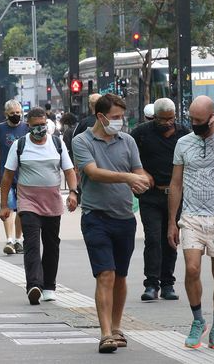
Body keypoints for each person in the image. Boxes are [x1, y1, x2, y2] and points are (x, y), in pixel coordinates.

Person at [72, 93, 151, 354]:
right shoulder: (82, 141)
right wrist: (128, 178)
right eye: (115, 118)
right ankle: (105, 332)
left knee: (120, 276)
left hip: (125, 218)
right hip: (96, 218)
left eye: (122, 117)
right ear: (101, 117)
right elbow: (93, 173)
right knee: (105, 274)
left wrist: (141, 179)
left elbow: (138, 170)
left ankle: (117, 327)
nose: (120, 122)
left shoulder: (127, 141)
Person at [167, 96, 214, 351]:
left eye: (199, 120)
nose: (193, 124)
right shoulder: (183, 143)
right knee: (191, 269)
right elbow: (176, 184)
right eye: (191, 119)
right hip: (191, 216)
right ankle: (198, 321)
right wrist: (172, 222)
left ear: (212, 117)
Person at [0, 107, 78, 305]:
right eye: (35, 126)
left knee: (52, 244)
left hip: (52, 202)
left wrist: (73, 193)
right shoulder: (20, 145)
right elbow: (7, 177)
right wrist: (3, 205)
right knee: (32, 244)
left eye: (43, 125)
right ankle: (34, 285)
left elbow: (69, 170)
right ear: (28, 126)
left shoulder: (57, 143)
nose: (40, 129)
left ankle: (49, 286)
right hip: (28, 202)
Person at [132, 98, 188, 301]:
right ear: (154, 117)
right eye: (162, 119)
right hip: (151, 196)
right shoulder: (141, 133)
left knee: (170, 238)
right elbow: (128, 156)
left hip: (175, 196)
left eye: (170, 119)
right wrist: (142, 172)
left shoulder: (184, 134)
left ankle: (168, 284)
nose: (167, 123)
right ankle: (151, 284)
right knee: (153, 239)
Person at [0, 100, 28, 254]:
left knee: (21, 209)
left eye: (18, 113)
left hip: (24, 176)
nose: (16, 115)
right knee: (7, 207)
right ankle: (9, 240)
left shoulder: (27, 128)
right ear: (6, 114)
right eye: (13, 113)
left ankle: (18, 240)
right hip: (7, 176)